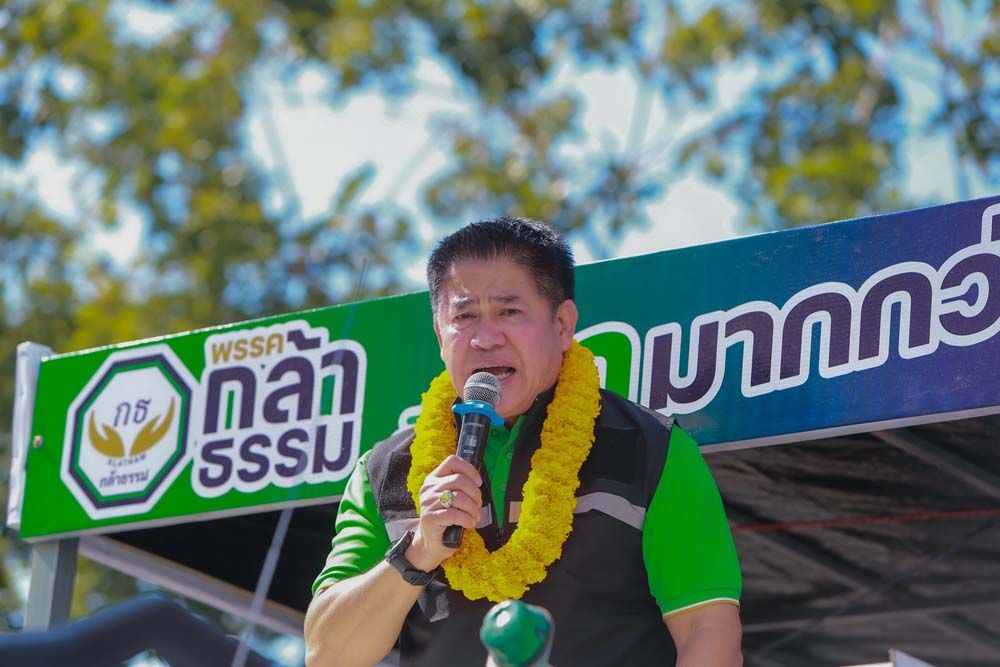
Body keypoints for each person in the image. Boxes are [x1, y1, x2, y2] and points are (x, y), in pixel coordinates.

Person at [304, 217, 743, 666]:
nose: (485, 338)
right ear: (439, 334)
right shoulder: (383, 470)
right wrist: (419, 549)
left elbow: (707, 630)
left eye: (509, 312)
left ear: (562, 324)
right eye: (464, 316)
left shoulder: (653, 448)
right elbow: (327, 655)